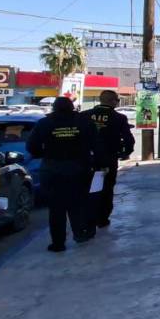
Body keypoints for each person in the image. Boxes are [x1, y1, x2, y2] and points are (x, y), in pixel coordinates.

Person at [27, 97, 97, 252]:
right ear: (72, 107)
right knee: (78, 203)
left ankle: (58, 243)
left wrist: (46, 154)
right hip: (79, 167)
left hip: (53, 168)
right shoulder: (84, 122)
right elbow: (96, 144)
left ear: (54, 108)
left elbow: (32, 146)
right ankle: (80, 233)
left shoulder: (45, 123)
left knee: (56, 207)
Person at [81, 90, 134, 228]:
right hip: (108, 158)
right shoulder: (119, 118)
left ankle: (88, 217)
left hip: (87, 159)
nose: (117, 103)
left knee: (87, 188)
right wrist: (125, 153)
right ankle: (102, 218)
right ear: (112, 101)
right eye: (117, 100)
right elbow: (128, 139)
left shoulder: (84, 115)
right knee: (107, 188)